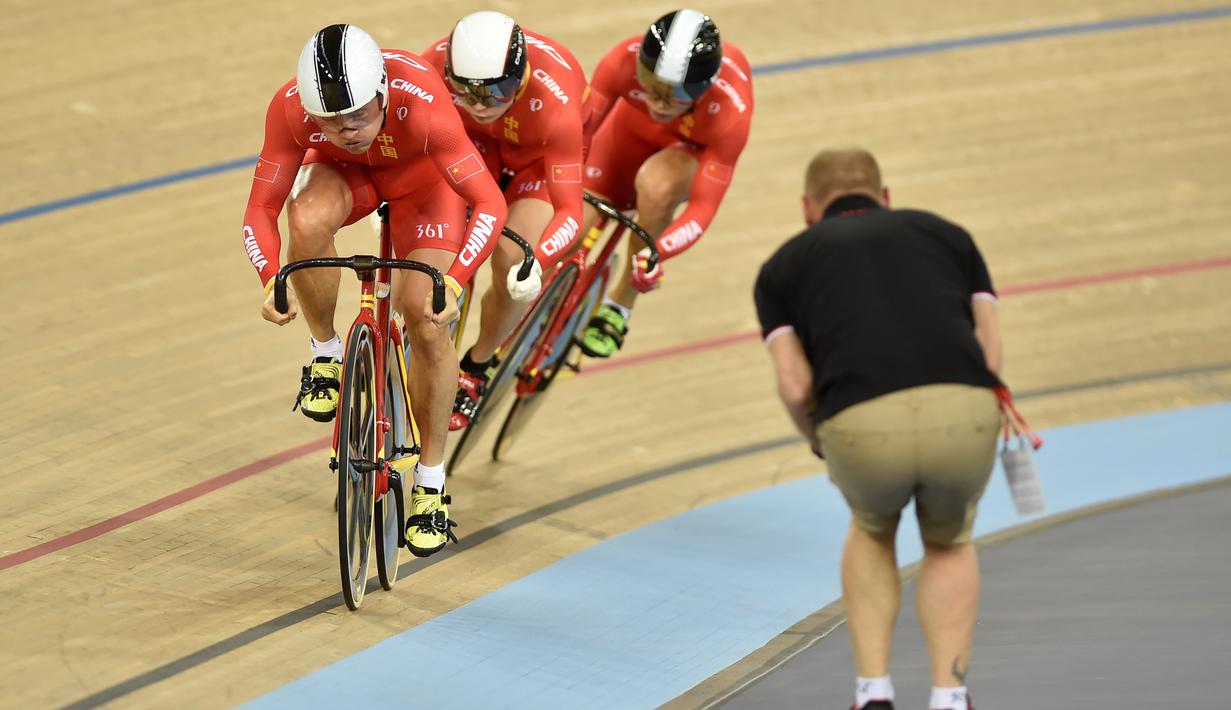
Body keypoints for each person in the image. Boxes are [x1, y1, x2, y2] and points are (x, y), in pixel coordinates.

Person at [240, 24, 510, 557]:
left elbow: (489, 204)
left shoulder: (424, 99)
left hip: (423, 188)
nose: (348, 130)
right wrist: (271, 276)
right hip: (346, 180)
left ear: (383, 93)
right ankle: (326, 354)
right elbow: (260, 210)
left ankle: (431, 487)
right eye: (331, 123)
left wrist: (453, 281)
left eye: (360, 115)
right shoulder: (290, 110)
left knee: (426, 318)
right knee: (306, 217)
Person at [753, 148, 1004, 710]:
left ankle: (873, 693)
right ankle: (950, 696)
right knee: (949, 541)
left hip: (860, 424)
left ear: (808, 209)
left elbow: (795, 384)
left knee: (872, 527)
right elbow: (989, 348)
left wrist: (821, 440)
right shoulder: (949, 236)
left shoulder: (783, 266)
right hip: (961, 409)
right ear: (885, 196)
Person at [422, 11, 591, 430]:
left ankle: (478, 364)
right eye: (466, 92)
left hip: (536, 163)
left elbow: (570, 209)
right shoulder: (429, 68)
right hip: (473, 148)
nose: (481, 105)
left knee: (512, 260)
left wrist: (538, 261)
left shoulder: (558, 100)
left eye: (499, 91)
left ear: (524, 73)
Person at [575, 8, 754, 358]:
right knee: (571, 223)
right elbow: (576, 135)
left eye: (672, 96)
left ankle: (619, 304)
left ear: (704, 90)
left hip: (684, 151)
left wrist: (657, 252)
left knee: (657, 187)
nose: (657, 102)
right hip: (627, 133)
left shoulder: (730, 112)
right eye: (650, 85)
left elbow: (703, 207)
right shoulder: (621, 61)